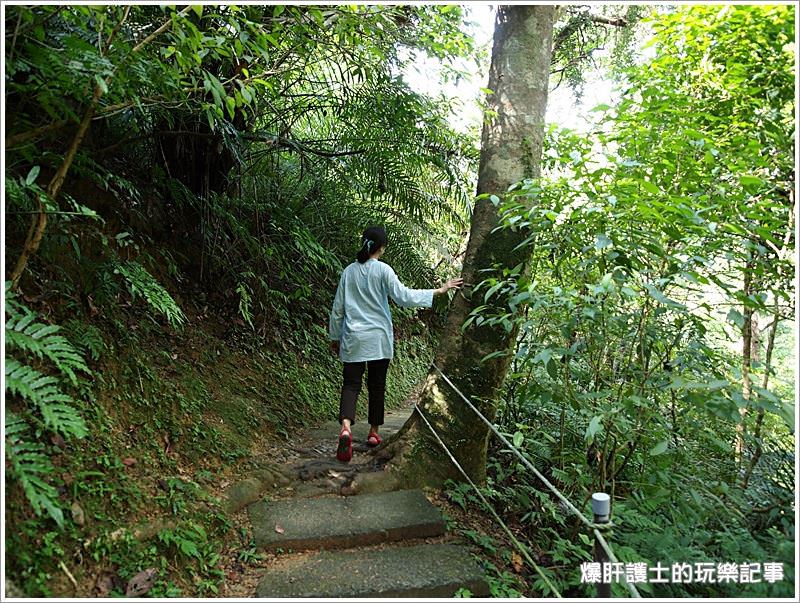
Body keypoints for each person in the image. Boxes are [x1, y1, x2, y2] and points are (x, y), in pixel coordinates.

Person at [328, 226, 463, 462]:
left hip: (353, 338)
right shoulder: (383, 271)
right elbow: (403, 297)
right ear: (381, 247)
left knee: (350, 385)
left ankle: (346, 428)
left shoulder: (348, 272)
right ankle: (373, 433)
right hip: (378, 338)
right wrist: (439, 291)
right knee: (377, 385)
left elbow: (338, 308)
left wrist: (335, 337)